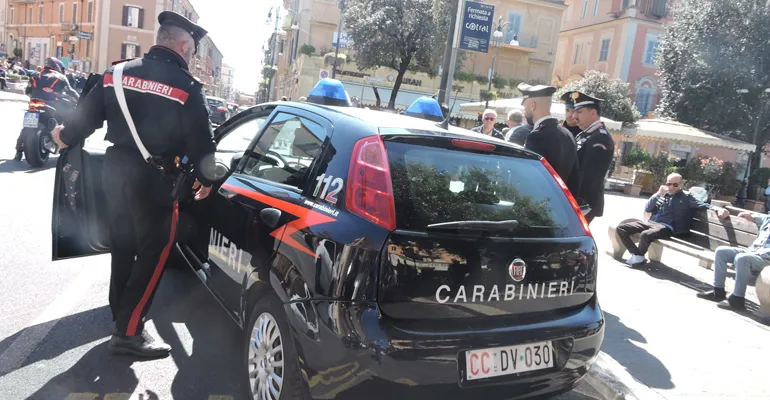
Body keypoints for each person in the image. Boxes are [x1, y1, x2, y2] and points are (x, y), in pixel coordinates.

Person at [50, 11, 217, 358]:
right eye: (192, 51)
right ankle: (128, 333)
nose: (191, 57)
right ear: (183, 46)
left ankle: (120, 318)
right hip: (155, 182)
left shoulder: (117, 72)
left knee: (123, 247)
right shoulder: (187, 88)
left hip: (113, 173)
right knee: (155, 253)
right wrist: (207, 180)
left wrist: (62, 136)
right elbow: (203, 148)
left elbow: (83, 121)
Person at [616, 173, 729, 267]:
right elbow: (648, 208)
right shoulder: (664, 195)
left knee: (646, 234)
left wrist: (718, 209)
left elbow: (703, 204)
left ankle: (638, 257)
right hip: (651, 223)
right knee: (621, 228)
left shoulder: (686, 197)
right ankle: (637, 255)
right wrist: (657, 194)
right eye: (668, 184)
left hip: (666, 227)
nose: (671, 187)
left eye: (674, 185)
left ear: (681, 185)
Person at [697, 211, 770, 310]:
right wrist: (751, 216)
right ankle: (718, 291)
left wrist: (754, 254)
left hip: (765, 258)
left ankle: (738, 298)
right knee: (721, 252)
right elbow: (762, 217)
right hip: (753, 251)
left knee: (742, 258)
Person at [518, 83, 580, 196]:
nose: (524, 112)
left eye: (525, 107)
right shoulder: (568, 134)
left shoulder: (537, 136)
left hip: (540, 202)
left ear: (533, 106)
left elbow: (530, 179)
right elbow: (574, 179)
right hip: (560, 204)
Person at [14, 57, 79, 161]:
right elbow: (70, 91)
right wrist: (79, 101)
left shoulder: (35, 75)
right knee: (69, 117)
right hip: (52, 103)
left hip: (34, 103)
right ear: (57, 66)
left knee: (27, 125)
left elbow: (27, 91)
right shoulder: (60, 76)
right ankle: (66, 142)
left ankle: (18, 152)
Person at [571, 91, 615, 223]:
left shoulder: (600, 138)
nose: (574, 116)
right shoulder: (587, 135)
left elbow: (590, 176)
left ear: (593, 112)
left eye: (579, 112)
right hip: (579, 200)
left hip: (584, 202)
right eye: (574, 112)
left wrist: (579, 201)